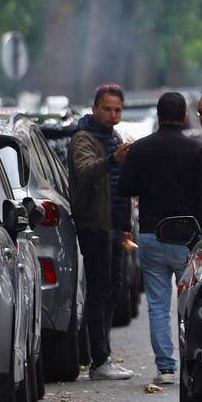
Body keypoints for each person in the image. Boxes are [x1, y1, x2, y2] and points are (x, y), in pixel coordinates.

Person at [119, 93, 202, 385]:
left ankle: (165, 367)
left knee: (158, 305)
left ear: (159, 116)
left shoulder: (140, 150)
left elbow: (126, 189)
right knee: (192, 303)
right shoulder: (197, 149)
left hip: (150, 234)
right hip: (186, 238)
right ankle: (193, 360)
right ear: (185, 115)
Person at [70, 83, 135, 380]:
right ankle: (99, 359)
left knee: (113, 290)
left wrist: (125, 228)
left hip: (114, 226)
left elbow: (120, 187)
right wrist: (113, 160)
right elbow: (85, 172)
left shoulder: (114, 137)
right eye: (107, 109)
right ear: (95, 108)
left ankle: (102, 355)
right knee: (98, 291)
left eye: (117, 110)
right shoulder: (84, 138)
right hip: (94, 226)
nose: (112, 115)